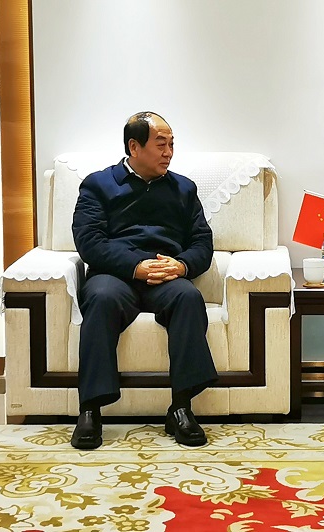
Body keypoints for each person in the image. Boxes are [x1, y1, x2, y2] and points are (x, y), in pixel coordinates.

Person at [69, 111, 218, 450]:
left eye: (172, 145)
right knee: (101, 298)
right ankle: (90, 410)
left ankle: (180, 408)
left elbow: (202, 243)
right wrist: (136, 266)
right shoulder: (98, 185)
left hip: (165, 276)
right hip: (115, 275)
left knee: (188, 297)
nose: (169, 153)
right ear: (134, 147)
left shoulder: (183, 188)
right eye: (160, 144)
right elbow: (89, 241)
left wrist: (181, 266)